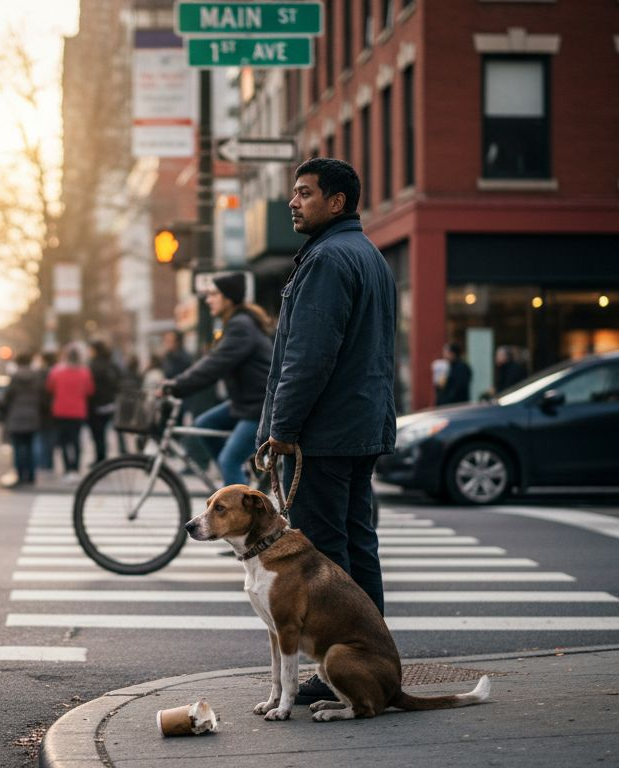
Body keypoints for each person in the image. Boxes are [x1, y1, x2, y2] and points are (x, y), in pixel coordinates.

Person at [258, 157, 396, 702]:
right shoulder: (368, 256)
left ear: (336, 202)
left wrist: (283, 428)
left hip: (325, 431)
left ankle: (336, 672)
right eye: (294, 192)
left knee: (327, 554)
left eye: (305, 193)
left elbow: (307, 358)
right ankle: (374, 658)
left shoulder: (328, 260)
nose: (293, 201)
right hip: (361, 425)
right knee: (358, 546)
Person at [163, 273, 273, 486]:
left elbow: (214, 365)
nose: (208, 299)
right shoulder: (236, 324)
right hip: (245, 403)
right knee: (203, 424)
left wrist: (177, 386)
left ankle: (240, 509)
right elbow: (212, 360)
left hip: (260, 406)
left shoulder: (241, 326)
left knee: (229, 460)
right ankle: (236, 483)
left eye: (214, 294)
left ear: (229, 299)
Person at [44, 344, 94, 482]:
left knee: (64, 441)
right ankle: (76, 469)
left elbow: (49, 388)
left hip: (60, 410)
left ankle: (67, 469)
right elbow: (89, 390)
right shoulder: (84, 372)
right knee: (76, 440)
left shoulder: (57, 371)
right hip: (78, 411)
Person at [0, 352, 45, 487]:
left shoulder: (15, 377)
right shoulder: (37, 377)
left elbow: (7, 398)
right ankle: (31, 475)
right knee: (31, 446)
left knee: (19, 447)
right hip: (33, 415)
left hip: (16, 416)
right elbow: (43, 396)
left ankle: (20, 475)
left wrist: (4, 412)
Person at [86, 340, 120, 466]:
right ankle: (105, 456)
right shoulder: (111, 364)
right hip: (110, 403)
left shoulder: (92, 365)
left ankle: (100, 458)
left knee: (97, 434)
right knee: (107, 432)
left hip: (95, 405)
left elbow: (89, 387)